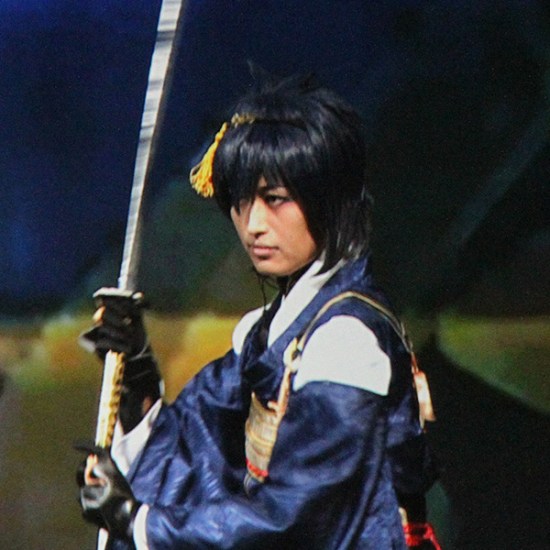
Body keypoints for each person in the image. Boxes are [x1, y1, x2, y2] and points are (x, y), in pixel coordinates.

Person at [77, 74, 441, 549]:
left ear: (328, 201)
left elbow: (294, 520)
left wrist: (135, 520)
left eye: (275, 200)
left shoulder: (346, 344)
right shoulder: (273, 331)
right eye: (242, 201)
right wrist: (138, 380)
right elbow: (200, 444)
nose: (253, 225)